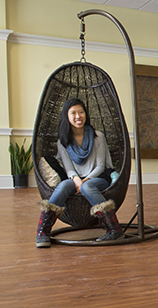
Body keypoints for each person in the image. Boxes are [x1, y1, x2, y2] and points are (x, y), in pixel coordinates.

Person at [35, 97, 122, 247]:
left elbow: (101, 166)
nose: (78, 116)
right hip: (75, 178)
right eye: (73, 113)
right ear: (67, 117)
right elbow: (69, 168)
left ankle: (114, 229)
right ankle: (43, 231)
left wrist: (84, 182)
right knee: (62, 186)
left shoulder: (98, 136)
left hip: (98, 177)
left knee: (87, 187)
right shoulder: (63, 141)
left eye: (81, 112)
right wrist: (76, 180)